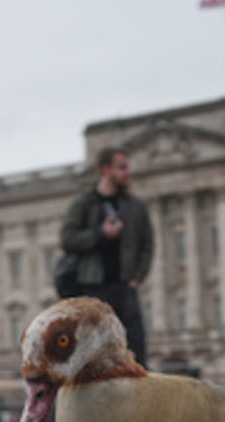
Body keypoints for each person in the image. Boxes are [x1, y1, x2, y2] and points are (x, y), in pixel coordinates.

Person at [60, 146, 154, 367]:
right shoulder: (84, 204)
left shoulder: (136, 206)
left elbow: (147, 244)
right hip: (92, 288)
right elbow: (67, 240)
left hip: (124, 286)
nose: (127, 173)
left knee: (136, 352)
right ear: (105, 170)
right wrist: (100, 235)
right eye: (121, 168)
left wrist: (137, 277)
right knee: (93, 355)